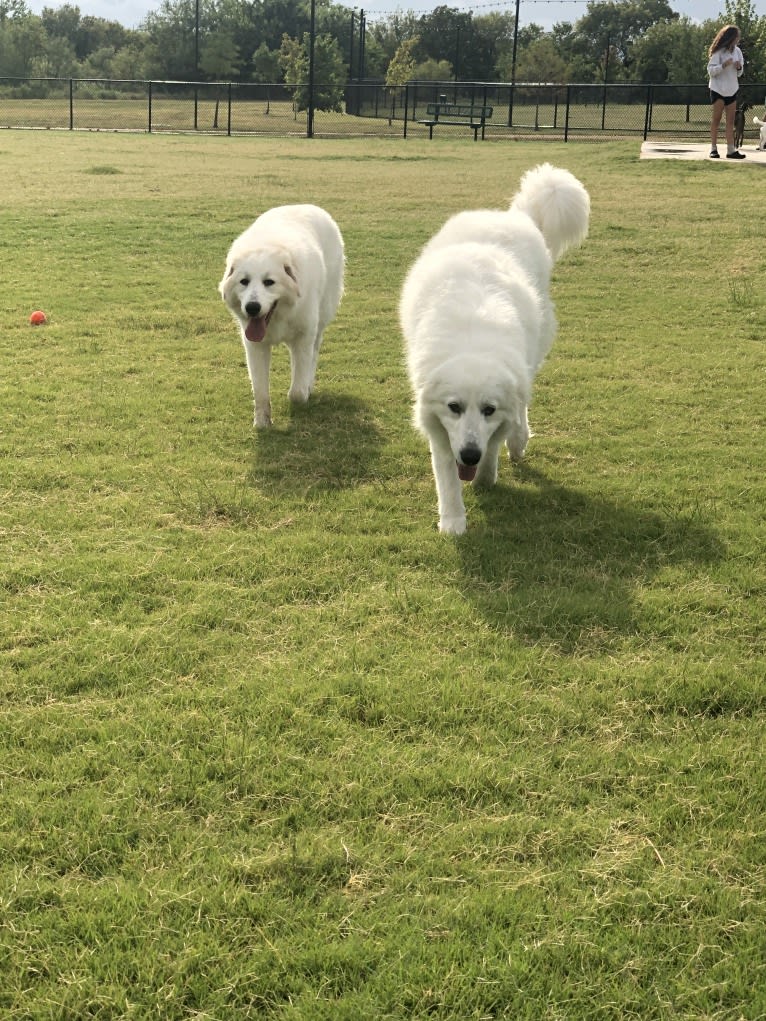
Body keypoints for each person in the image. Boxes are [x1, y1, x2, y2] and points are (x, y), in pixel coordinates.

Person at [708, 25, 745, 159]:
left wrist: (739, 67)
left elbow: (740, 73)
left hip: (732, 89)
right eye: (736, 36)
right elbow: (711, 71)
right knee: (716, 119)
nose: (738, 39)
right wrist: (723, 65)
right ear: (730, 37)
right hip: (718, 89)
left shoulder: (738, 52)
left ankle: (731, 150)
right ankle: (713, 148)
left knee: (730, 121)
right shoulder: (719, 52)